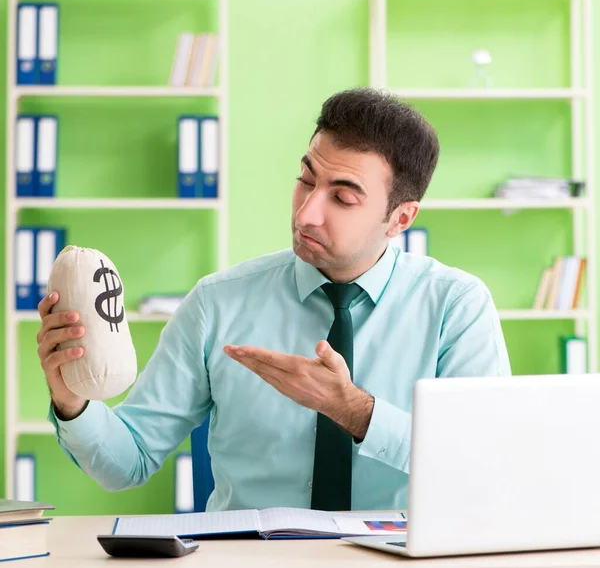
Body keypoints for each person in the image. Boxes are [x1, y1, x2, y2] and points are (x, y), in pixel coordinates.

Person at [36, 87, 511, 513]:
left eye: (342, 198)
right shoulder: (217, 304)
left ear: (400, 218)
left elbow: (484, 464)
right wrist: (71, 399)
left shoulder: (457, 307)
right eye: (306, 180)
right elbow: (128, 463)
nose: (307, 213)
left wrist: (356, 411)